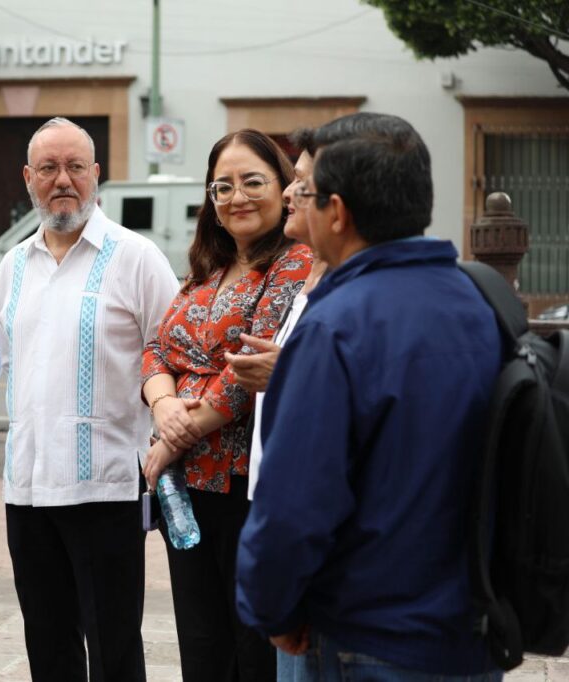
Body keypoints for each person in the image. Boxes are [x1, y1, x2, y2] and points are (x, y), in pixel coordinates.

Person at [235, 113, 502, 681]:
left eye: (305, 190)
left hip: (366, 637)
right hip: (468, 633)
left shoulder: (336, 324)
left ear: (338, 212)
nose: (291, 196)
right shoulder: (480, 303)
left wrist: (271, 610)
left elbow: (295, 503)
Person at [0, 116, 179, 682]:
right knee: (48, 648)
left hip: (106, 488)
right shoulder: (13, 265)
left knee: (114, 648)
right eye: (48, 168)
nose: (63, 180)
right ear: (28, 178)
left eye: (75, 166)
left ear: (96, 174)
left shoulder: (135, 256)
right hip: (26, 488)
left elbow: (173, 351)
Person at [140, 129, 312, 682]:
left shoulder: (293, 264)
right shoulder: (205, 271)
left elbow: (243, 376)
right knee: (201, 644)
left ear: (285, 187)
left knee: (252, 648)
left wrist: (169, 436)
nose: (236, 197)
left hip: (246, 488)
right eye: (222, 187)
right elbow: (153, 351)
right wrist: (164, 402)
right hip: (186, 491)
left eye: (252, 182)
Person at [221, 129, 329, 501]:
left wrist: (289, 373)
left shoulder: (354, 294)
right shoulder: (314, 280)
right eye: (221, 186)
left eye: (299, 181)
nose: (288, 194)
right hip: (273, 497)